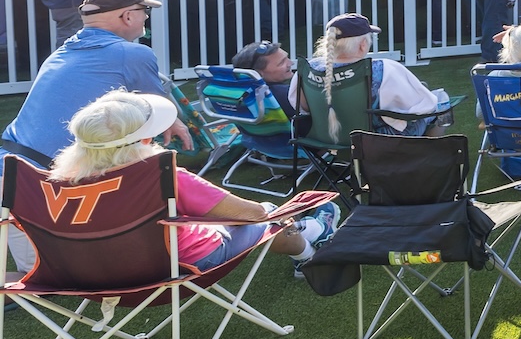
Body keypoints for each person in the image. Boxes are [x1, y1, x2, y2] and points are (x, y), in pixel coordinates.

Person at [52, 91, 338, 268]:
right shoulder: (161, 176)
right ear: (146, 138)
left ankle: (307, 228)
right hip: (178, 264)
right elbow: (249, 215)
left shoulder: (57, 183)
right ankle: (309, 251)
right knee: (267, 212)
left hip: (94, 272)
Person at [1, 0, 188, 162]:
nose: (146, 17)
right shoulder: (133, 54)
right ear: (128, 16)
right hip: (51, 174)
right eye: (144, 11)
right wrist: (175, 122)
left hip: (11, 160)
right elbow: (157, 111)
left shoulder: (61, 51)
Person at [294, 13, 447, 135]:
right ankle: (427, 152)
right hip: (376, 138)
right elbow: (424, 106)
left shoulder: (309, 68)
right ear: (362, 45)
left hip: (326, 135)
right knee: (441, 99)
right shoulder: (383, 69)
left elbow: (302, 106)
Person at [232, 38, 298, 115]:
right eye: (281, 63)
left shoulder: (242, 96)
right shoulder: (288, 95)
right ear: (259, 73)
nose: (291, 63)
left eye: (287, 58)